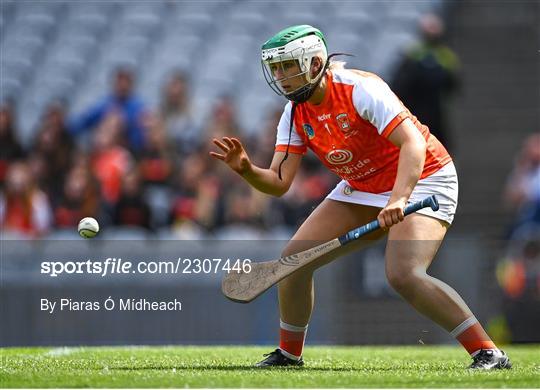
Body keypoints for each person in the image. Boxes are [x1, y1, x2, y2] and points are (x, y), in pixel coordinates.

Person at [210, 25, 511, 370]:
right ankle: (289, 355)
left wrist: (398, 199)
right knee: (294, 261)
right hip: (364, 185)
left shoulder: (360, 89)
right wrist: (247, 169)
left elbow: (412, 144)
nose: (280, 77)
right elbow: (279, 182)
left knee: (404, 273)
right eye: (275, 69)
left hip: (425, 177)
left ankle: (488, 352)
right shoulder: (294, 113)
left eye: (287, 66)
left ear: (313, 64)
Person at [391, 14, 460, 153]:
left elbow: (453, 86)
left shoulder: (446, 57)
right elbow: (400, 86)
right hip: (414, 115)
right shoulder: (412, 54)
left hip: (436, 116)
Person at [69, 67, 148, 153]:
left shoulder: (138, 107)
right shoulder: (103, 104)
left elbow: (141, 138)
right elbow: (80, 123)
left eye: (126, 82)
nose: (123, 85)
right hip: (102, 151)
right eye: (120, 81)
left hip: (130, 151)